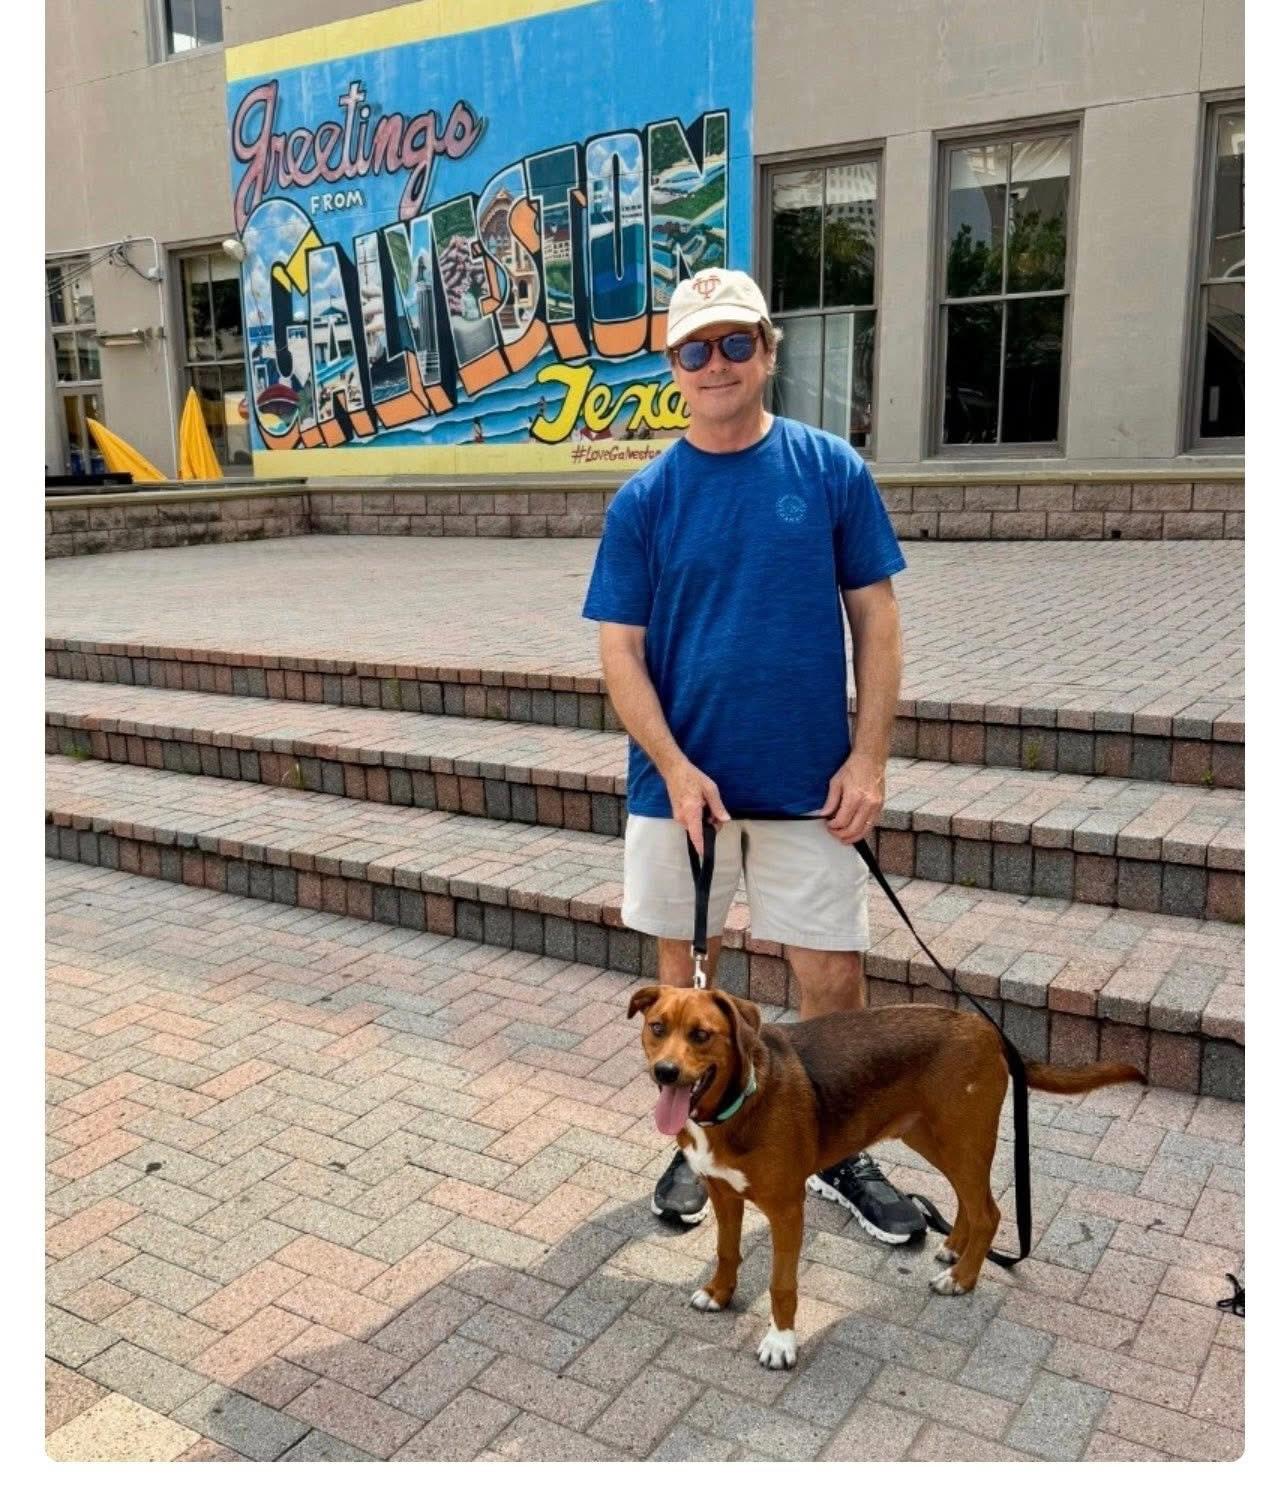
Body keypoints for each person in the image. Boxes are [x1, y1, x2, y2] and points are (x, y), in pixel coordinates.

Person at [581, 269, 925, 1245]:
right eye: (696, 348)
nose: (717, 363)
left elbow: (877, 618)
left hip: (809, 786)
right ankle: (696, 1139)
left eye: (736, 342)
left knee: (832, 984)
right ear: (673, 369)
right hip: (677, 790)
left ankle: (834, 1148)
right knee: (687, 987)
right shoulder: (643, 500)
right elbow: (620, 649)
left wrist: (868, 759)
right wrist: (674, 763)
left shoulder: (828, 472)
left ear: (766, 351)